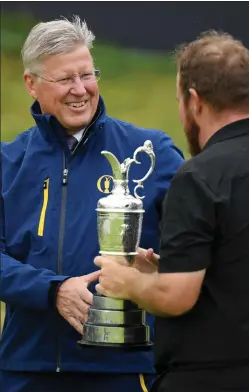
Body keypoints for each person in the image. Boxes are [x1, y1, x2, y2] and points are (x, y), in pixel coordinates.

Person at [0, 16, 185, 392]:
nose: (80, 89)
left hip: (123, 370)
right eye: (65, 79)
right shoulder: (8, 163)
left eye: (87, 74)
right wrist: (53, 290)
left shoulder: (153, 154)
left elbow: (198, 244)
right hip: (26, 369)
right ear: (31, 84)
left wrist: (159, 270)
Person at [94, 31, 249, 391]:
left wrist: (129, 281)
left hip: (213, 377)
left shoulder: (198, 176)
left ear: (194, 101)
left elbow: (176, 297)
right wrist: (171, 267)